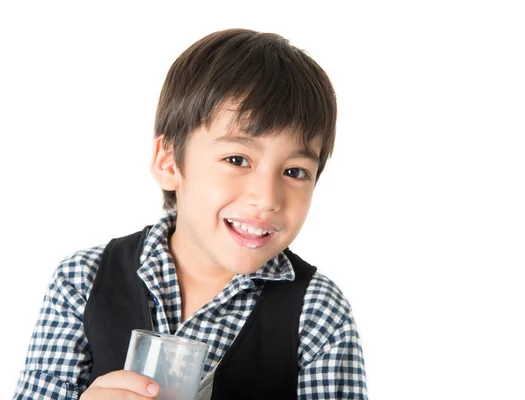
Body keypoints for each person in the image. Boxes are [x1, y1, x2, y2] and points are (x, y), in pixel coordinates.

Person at [14, 28, 368, 399]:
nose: (266, 198)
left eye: (294, 172)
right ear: (168, 161)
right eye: (237, 159)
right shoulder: (83, 281)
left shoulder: (317, 312)